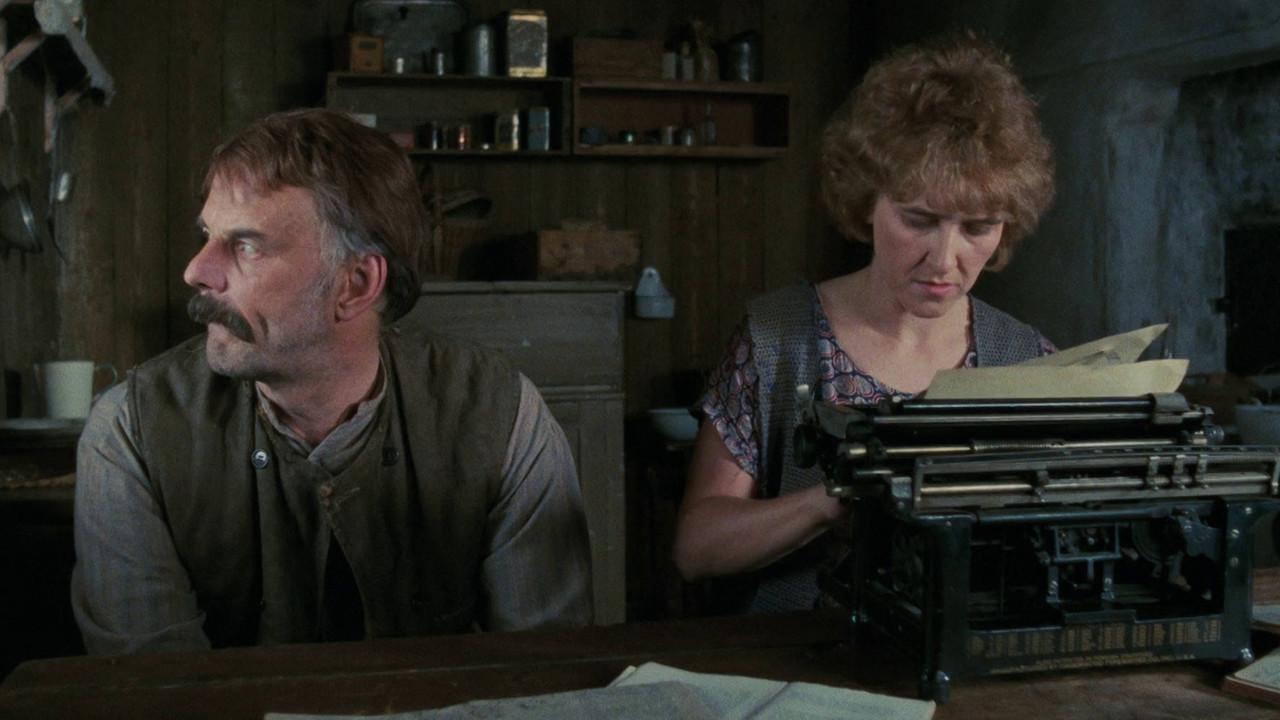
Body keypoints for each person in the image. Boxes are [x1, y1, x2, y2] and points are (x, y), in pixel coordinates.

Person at [71, 109, 593, 654]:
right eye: (208, 235)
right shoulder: (133, 429)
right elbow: (155, 686)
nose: (196, 270)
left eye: (245, 245)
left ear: (356, 284)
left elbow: (544, 667)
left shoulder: (498, 416)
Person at [672, 32, 1057, 612]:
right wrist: (831, 501)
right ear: (866, 200)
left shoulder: (1027, 358)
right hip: (801, 646)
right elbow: (696, 548)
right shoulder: (776, 340)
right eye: (919, 220)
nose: (944, 260)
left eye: (978, 228)